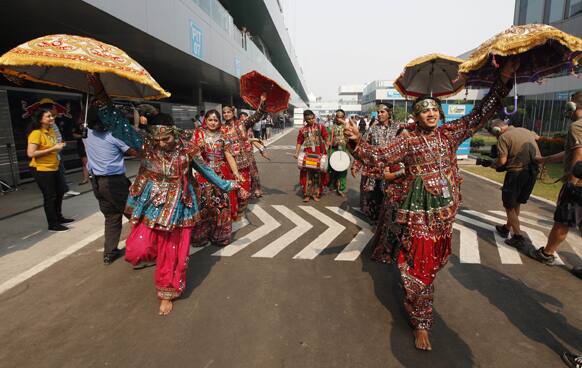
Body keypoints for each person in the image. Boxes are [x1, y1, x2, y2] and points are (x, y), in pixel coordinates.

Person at [344, 59, 518, 351]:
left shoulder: (450, 135)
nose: (431, 114)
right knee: (419, 268)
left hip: (445, 215)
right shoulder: (408, 142)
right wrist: (357, 141)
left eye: (435, 110)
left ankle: (416, 290)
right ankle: (421, 322)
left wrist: (503, 78)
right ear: (416, 115)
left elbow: (481, 113)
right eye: (425, 111)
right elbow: (377, 157)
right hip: (417, 216)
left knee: (434, 264)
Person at [88, 74, 236, 315]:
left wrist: (227, 185)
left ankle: (167, 292)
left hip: (179, 206)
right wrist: (100, 93)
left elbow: (206, 170)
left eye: (166, 138)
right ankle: (158, 261)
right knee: (137, 250)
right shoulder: (146, 145)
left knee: (173, 251)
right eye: (157, 139)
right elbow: (117, 124)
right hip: (150, 204)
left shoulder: (186, 150)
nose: (162, 143)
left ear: (174, 134)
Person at [531, 91, 582, 267]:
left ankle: (547, 253)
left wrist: (572, 183)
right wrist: (545, 159)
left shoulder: (577, 127)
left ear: (574, 106)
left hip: (578, 185)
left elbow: (577, 155)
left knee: (563, 221)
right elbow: (569, 152)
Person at [83, 104, 137, 264]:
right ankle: (144, 249)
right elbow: (134, 152)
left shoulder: (86, 134)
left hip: (97, 183)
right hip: (114, 182)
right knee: (135, 214)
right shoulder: (113, 136)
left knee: (112, 216)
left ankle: (109, 252)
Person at [191, 110, 244, 246]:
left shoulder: (224, 134)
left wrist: (236, 173)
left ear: (219, 121)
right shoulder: (198, 134)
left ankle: (220, 235)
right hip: (203, 173)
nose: (213, 123)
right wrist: (198, 148)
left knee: (221, 205)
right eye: (210, 120)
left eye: (215, 120)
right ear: (206, 121)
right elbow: (190, 154)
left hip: (221, 173)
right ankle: (201, 235)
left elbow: (228, 154)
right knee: (203, 204)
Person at [486, 119, 541, 248]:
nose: (496, 136)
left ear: (496, 130)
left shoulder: (504, 137)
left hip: (516, 174)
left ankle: (518, 236)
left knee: (509, 205)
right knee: (516, 202)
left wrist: (493, 165)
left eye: (494, 134)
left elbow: (502, 161)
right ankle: (506, 228)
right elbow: (537, 137)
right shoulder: (524, 130)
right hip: (532, 172)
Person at [26, 108, 73, 232]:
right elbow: (31, 153)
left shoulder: (50, 130)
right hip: (42, 169)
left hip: (54, 166)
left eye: (51, 116)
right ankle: (52, 224)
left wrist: (59, 146)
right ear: (41, 120)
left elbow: (55, 146)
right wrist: (53, 149)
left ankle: (59, 217)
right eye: (48, 116)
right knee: (50, 196)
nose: (52, 118)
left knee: (60, 191)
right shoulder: (36, 133)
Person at [221, 96, 266, 219]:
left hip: (244, 162)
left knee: (244, 191)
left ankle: (241, 211)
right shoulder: (221, 129)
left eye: (228, 112)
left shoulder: (242, 124)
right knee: (231, 191)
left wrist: (262, 102)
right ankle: (233, 212)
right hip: (228, 165)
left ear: (233, 112)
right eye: (224, 112)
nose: (226, 114)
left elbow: (257, 116)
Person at [294, 109, 329, 202]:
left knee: (318, 174)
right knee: (307, 175)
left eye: (312, 118)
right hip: (308, 154)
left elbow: (326, 136)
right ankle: (307, 194)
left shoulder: (320, 127)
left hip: (319, 153)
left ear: (314, 117)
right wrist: (296, 153)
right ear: (305, 120)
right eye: (308, 119)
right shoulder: (302, 130)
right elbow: (299, 142)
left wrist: (328, 143)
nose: (311, 120)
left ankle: (316, 193)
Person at [327, 109, 349, 196]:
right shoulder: (331, 127)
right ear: (335, 117)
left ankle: (341, 189)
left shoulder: (346, 127)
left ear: (344, 117)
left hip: (343, 151)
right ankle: (332, 186)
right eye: (337, 116)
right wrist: (332, 142)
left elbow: (351, 138)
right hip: (333, 151)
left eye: (341, 117)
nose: (339, 118)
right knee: (331, 170)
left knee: (343, 170)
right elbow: (327, 141)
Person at [72, 116, 90, 185]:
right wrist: (81, 136)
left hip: (91, 144)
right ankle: (86, 178)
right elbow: (74, 134)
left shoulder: (90, 124)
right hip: (82, 145)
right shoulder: (77, 125)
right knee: (85, 163)